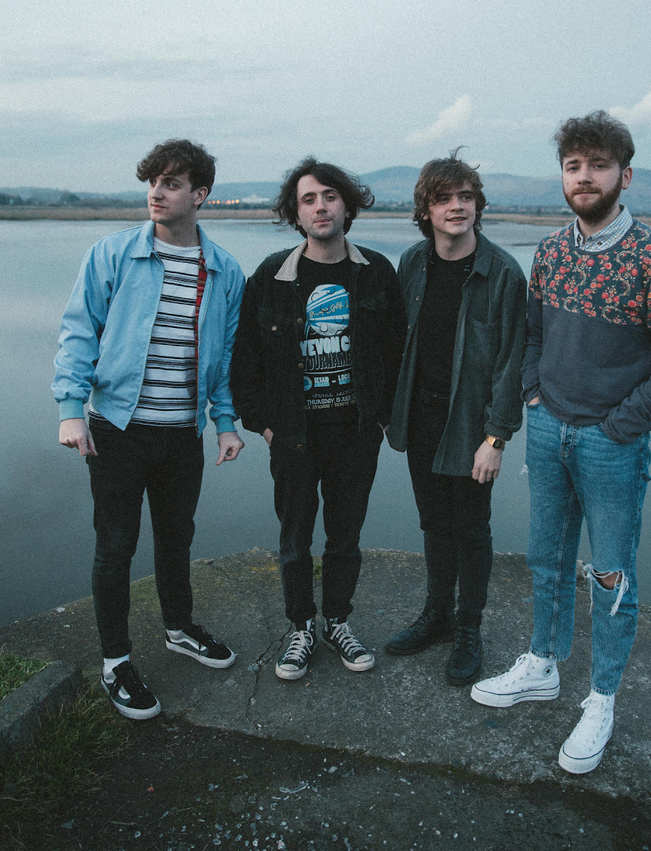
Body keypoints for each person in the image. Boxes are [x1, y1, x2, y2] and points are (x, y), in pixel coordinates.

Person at [471, 111, 651, 774]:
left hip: (610, 443)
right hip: (548, 429)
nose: (584, 176)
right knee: (546, 557)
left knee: (610, 573)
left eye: (598, 165)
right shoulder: (550, 251)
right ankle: (543, 663)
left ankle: (601, 698)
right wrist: (534, 395)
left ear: (624, 176)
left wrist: (620, 425)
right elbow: (533, 333)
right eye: (574, 166)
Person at [53, 139, 246, 720]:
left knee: (176, 537)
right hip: (117, 429)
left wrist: (225, 422)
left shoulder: (224, 270)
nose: (156, 193)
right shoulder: (112, 254)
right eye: (153, 182)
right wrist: (70, 407)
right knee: (116, 545)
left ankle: (179, 628)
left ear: (200, 194)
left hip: (181, 433)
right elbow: (79, 331)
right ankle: (116, 661)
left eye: (171, 183)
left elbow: (225, 356)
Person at [230, 158, 404, 680]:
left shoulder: (376, 272)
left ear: (347, 206)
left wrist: (380, 422)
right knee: (295, 540)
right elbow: (246, 360)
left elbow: (397, 354)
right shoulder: (271, 276)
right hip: (294, 436)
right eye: (308, 199)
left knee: (345, 538)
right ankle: (301, 627)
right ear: (296, 213)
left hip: (356, 434)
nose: (320, 207)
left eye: (330, 196)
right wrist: (263, 425)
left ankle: (337, 622)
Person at [385, 151, 527, 686]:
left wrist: (496, 438)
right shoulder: (412, 264)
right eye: (444, 198)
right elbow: (398, 342)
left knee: (471, 528)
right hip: (421, 419)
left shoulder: (503, 273)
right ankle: (437, 615)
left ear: (477, 205)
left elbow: (512, 362)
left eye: (466, 197)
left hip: (472, 426)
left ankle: (469, 629)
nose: (456, 207)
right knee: (433, 523)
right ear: (425, 210)